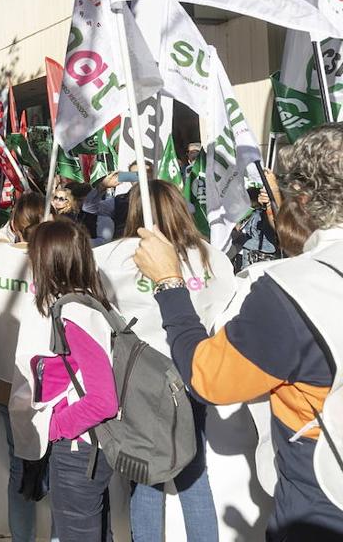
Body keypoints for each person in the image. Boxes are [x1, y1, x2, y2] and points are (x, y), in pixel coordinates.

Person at [135, 124, 343, 538]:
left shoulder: (292, 289)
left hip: (322, 502)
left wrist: (168, 282)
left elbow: (207, 378)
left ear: (302, 197)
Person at [95, 180, 233, 542]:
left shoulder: (111, 257)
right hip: (192, 373)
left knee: (145, 476)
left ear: (137, 211)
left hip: (138, 381)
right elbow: (224, 310)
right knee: (194, 474)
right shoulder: (211, 256)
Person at [12, 219, 119, 542]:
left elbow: (103, 399)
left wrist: (54, 428)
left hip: (79, 449)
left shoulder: (74, 313)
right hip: (90, 447)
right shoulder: (93, 304)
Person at [0, 192, 49, 542]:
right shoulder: (54, 259)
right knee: (47, 461)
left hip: (5, 378)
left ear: (14, 224)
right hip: (48, 380)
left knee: (18, 462)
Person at [233, 186, 279, 271]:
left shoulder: (261, 215)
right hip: (246, 257)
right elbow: (237, 227)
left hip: (259, 259)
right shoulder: (250, 214)